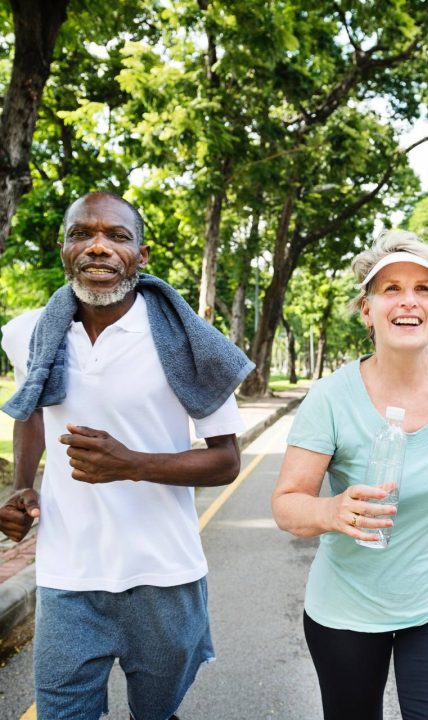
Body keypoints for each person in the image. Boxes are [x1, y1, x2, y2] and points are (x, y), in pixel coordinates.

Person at [0, 191, 254, 720]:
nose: (98, 247)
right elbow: (30, 408)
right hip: (68, 575)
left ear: (140, 255)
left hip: (164, 576)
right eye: (81, 234)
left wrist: (132, 465)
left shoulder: (189, 341)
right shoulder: (29, 332)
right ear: (63, 248)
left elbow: (227, 460)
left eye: (116, 236)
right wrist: (24, 485)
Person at [272, 229, 428, 720]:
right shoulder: (331, 398)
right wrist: (332, 510)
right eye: (392, 289)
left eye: (424, 289)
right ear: (367, 309)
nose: (409, 301)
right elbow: (287, 503)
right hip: (348, 608)